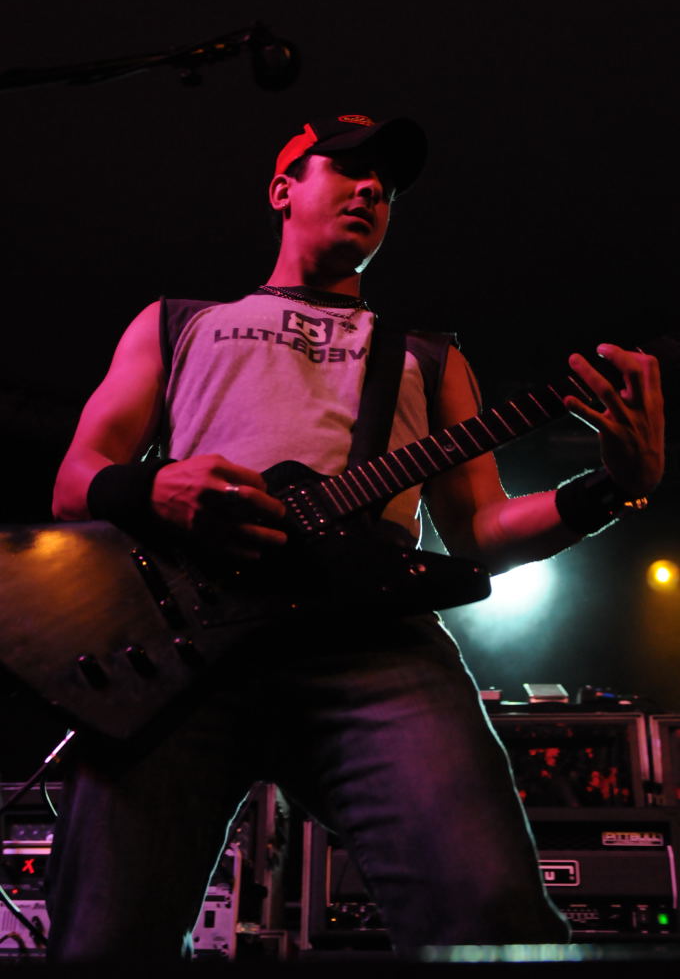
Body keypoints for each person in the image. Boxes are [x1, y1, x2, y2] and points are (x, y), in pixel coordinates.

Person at [45, 114, 665, 962]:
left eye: (388, 185)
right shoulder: (177, 322)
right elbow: (76, 481)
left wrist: (611, 489)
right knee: (104, 942)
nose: (372, 188)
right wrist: (153, 487)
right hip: (180, 655)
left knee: (490, 915)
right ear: (283, 189)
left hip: (372, 648)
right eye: (347, 168)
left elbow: (479, 531)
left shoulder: (428, 357)